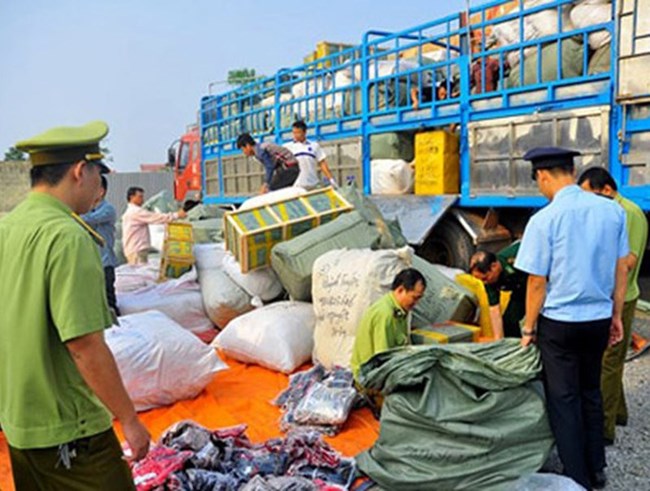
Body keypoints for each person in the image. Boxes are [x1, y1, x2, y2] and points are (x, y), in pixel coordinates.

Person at [0, 121, 150, 490]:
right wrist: (129, 420)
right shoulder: (68, 236)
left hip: (19, 423)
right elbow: (84, 345)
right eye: (99, 173)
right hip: (70, 429)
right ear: (80, 171)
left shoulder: (9, 226)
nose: (100, 185)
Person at [515, 147, 628, 490]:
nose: (540, 188)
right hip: (597, 317)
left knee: (564, 400)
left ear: (544, 176)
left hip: (560, 323)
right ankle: (597, 467)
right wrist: (617, 315)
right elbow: (620, 266)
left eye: (538, 181)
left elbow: (537, 281)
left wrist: (528, 327)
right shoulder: (612, 212)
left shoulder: (544, 219)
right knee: (590, 390)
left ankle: (577, 478)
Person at [578, 167, 648, 445]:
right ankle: (618, 413)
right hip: (611, 296)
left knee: (607, 363)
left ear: (606, 190)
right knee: (611, 359)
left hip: (620, 296)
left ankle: (603, 428)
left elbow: (627, 261)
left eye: (589, 195)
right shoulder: (611, 210)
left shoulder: (626, 213)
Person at [351, 268, 427, 381]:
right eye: (414, 298)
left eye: (419, 298)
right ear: (401, 290)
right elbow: (383, 361)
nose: (416, 303)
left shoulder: (399, 310)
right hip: (369, 378)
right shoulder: (385, 314)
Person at [469, 242, 526, 339]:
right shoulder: (489, 281)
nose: (484, 282)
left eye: (485, 278)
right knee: (509, 321)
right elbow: (494, 309)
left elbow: (537, 282)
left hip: (541, 283)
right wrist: (498, 341)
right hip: (520, 288)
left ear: (494, 266)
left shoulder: (516, 260)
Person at [81, 175, 119, 316]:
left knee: (109, 301)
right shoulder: (89, 209)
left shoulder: (108, 209)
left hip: (105, 263)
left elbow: (87, 220)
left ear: (101, 191)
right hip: (92, 263)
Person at [121, 186, 186, 265]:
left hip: (134, 249)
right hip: (137, 250)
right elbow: (155, 218)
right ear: (132, 197)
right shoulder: (135, 212)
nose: (143, 200)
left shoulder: (130, 212)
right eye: (140, 197)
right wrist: (176, 215)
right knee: (140, 273)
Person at [283, 120, 337, 190]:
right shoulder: (287, 147)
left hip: (313, 184)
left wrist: (331, 179)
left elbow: (322, 163)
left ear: (304, 132)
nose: (295, 135)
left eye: (298, 133)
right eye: (294, 133)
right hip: (296, 186)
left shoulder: (314, 146)